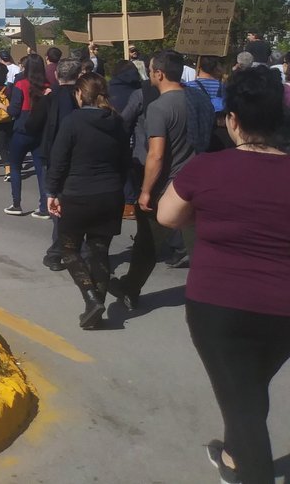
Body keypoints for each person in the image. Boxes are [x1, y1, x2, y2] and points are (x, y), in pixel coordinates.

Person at [157, 66, 290, 484]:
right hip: (283, 311)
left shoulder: (205, 169)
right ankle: (233, 456)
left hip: (219, 309)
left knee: (243, 402)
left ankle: (248, 470)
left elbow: (167, 216)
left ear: (231, 119)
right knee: (247, 392)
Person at [109, 49, 197, 311]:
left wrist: (146, 191)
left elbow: (156, 155)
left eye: (150, 70)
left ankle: (130, 289)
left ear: (159, 73)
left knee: (147, 243)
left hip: (166, 186)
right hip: (197, 183)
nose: (149, 74)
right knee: (200, 247)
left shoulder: (159, 107)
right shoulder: (197, 100)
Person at [45, 73, 130, 328]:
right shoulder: (117, 121)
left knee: (70, 250)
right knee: (99, 252)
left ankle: (91, 298)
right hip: (110, 195)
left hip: (78, 195)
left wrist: (51, 192)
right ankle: (96, 311)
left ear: (81, 94)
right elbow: (125, 160)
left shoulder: (73, 122)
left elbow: (58, 161)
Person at [4, 54, 50, 216]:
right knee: (41, 169)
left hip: (22, 129)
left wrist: (0, 105)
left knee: (15, 166)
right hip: (40, 130)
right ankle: (44, 206)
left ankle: (16, 204)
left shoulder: (21, 84)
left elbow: (14, 110)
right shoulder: (47, 86)